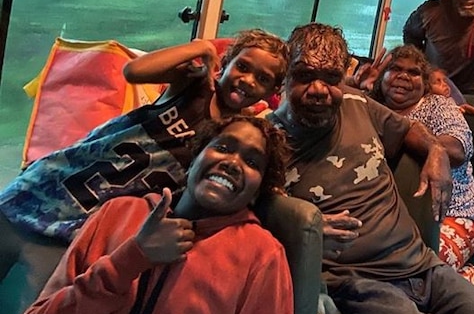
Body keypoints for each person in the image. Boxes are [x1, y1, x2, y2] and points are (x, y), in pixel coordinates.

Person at [268, 23, 474, 314]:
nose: (318, 89)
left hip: (421, 263)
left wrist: (436, 150)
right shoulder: (267, 137)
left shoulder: (357, 104)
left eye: (331, 78)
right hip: (358, 283)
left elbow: (409, 129)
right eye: (305, 76)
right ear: (286, 74)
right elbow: (258, 207)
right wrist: (301, 223)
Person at [0, 29, 288, 284]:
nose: (248, 80)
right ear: (225, 64)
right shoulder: (192, 86)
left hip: (85, 220)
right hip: (61, 181)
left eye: (262, 79)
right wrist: (202, 48)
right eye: (242, 67)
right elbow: (133, 71)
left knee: (37, 296)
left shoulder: (235, 137)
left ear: (273, 91)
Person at [7, 116, 294, 314]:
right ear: (194, 159)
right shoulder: (117, 214)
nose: (232, 163)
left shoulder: (263, 255)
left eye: (252, 162)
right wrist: (129, 259)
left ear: (257, 192)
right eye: (222, 147)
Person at [369, 45, 474, 285]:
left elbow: (457, 149)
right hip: (387, 216)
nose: (403, 76)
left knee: (416, 274)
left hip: (453, 214)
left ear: (424, 83)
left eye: (413, 73)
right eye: (395, 69)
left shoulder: (438, 106)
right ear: (382, 77)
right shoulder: (369, 107)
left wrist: (434, 149)